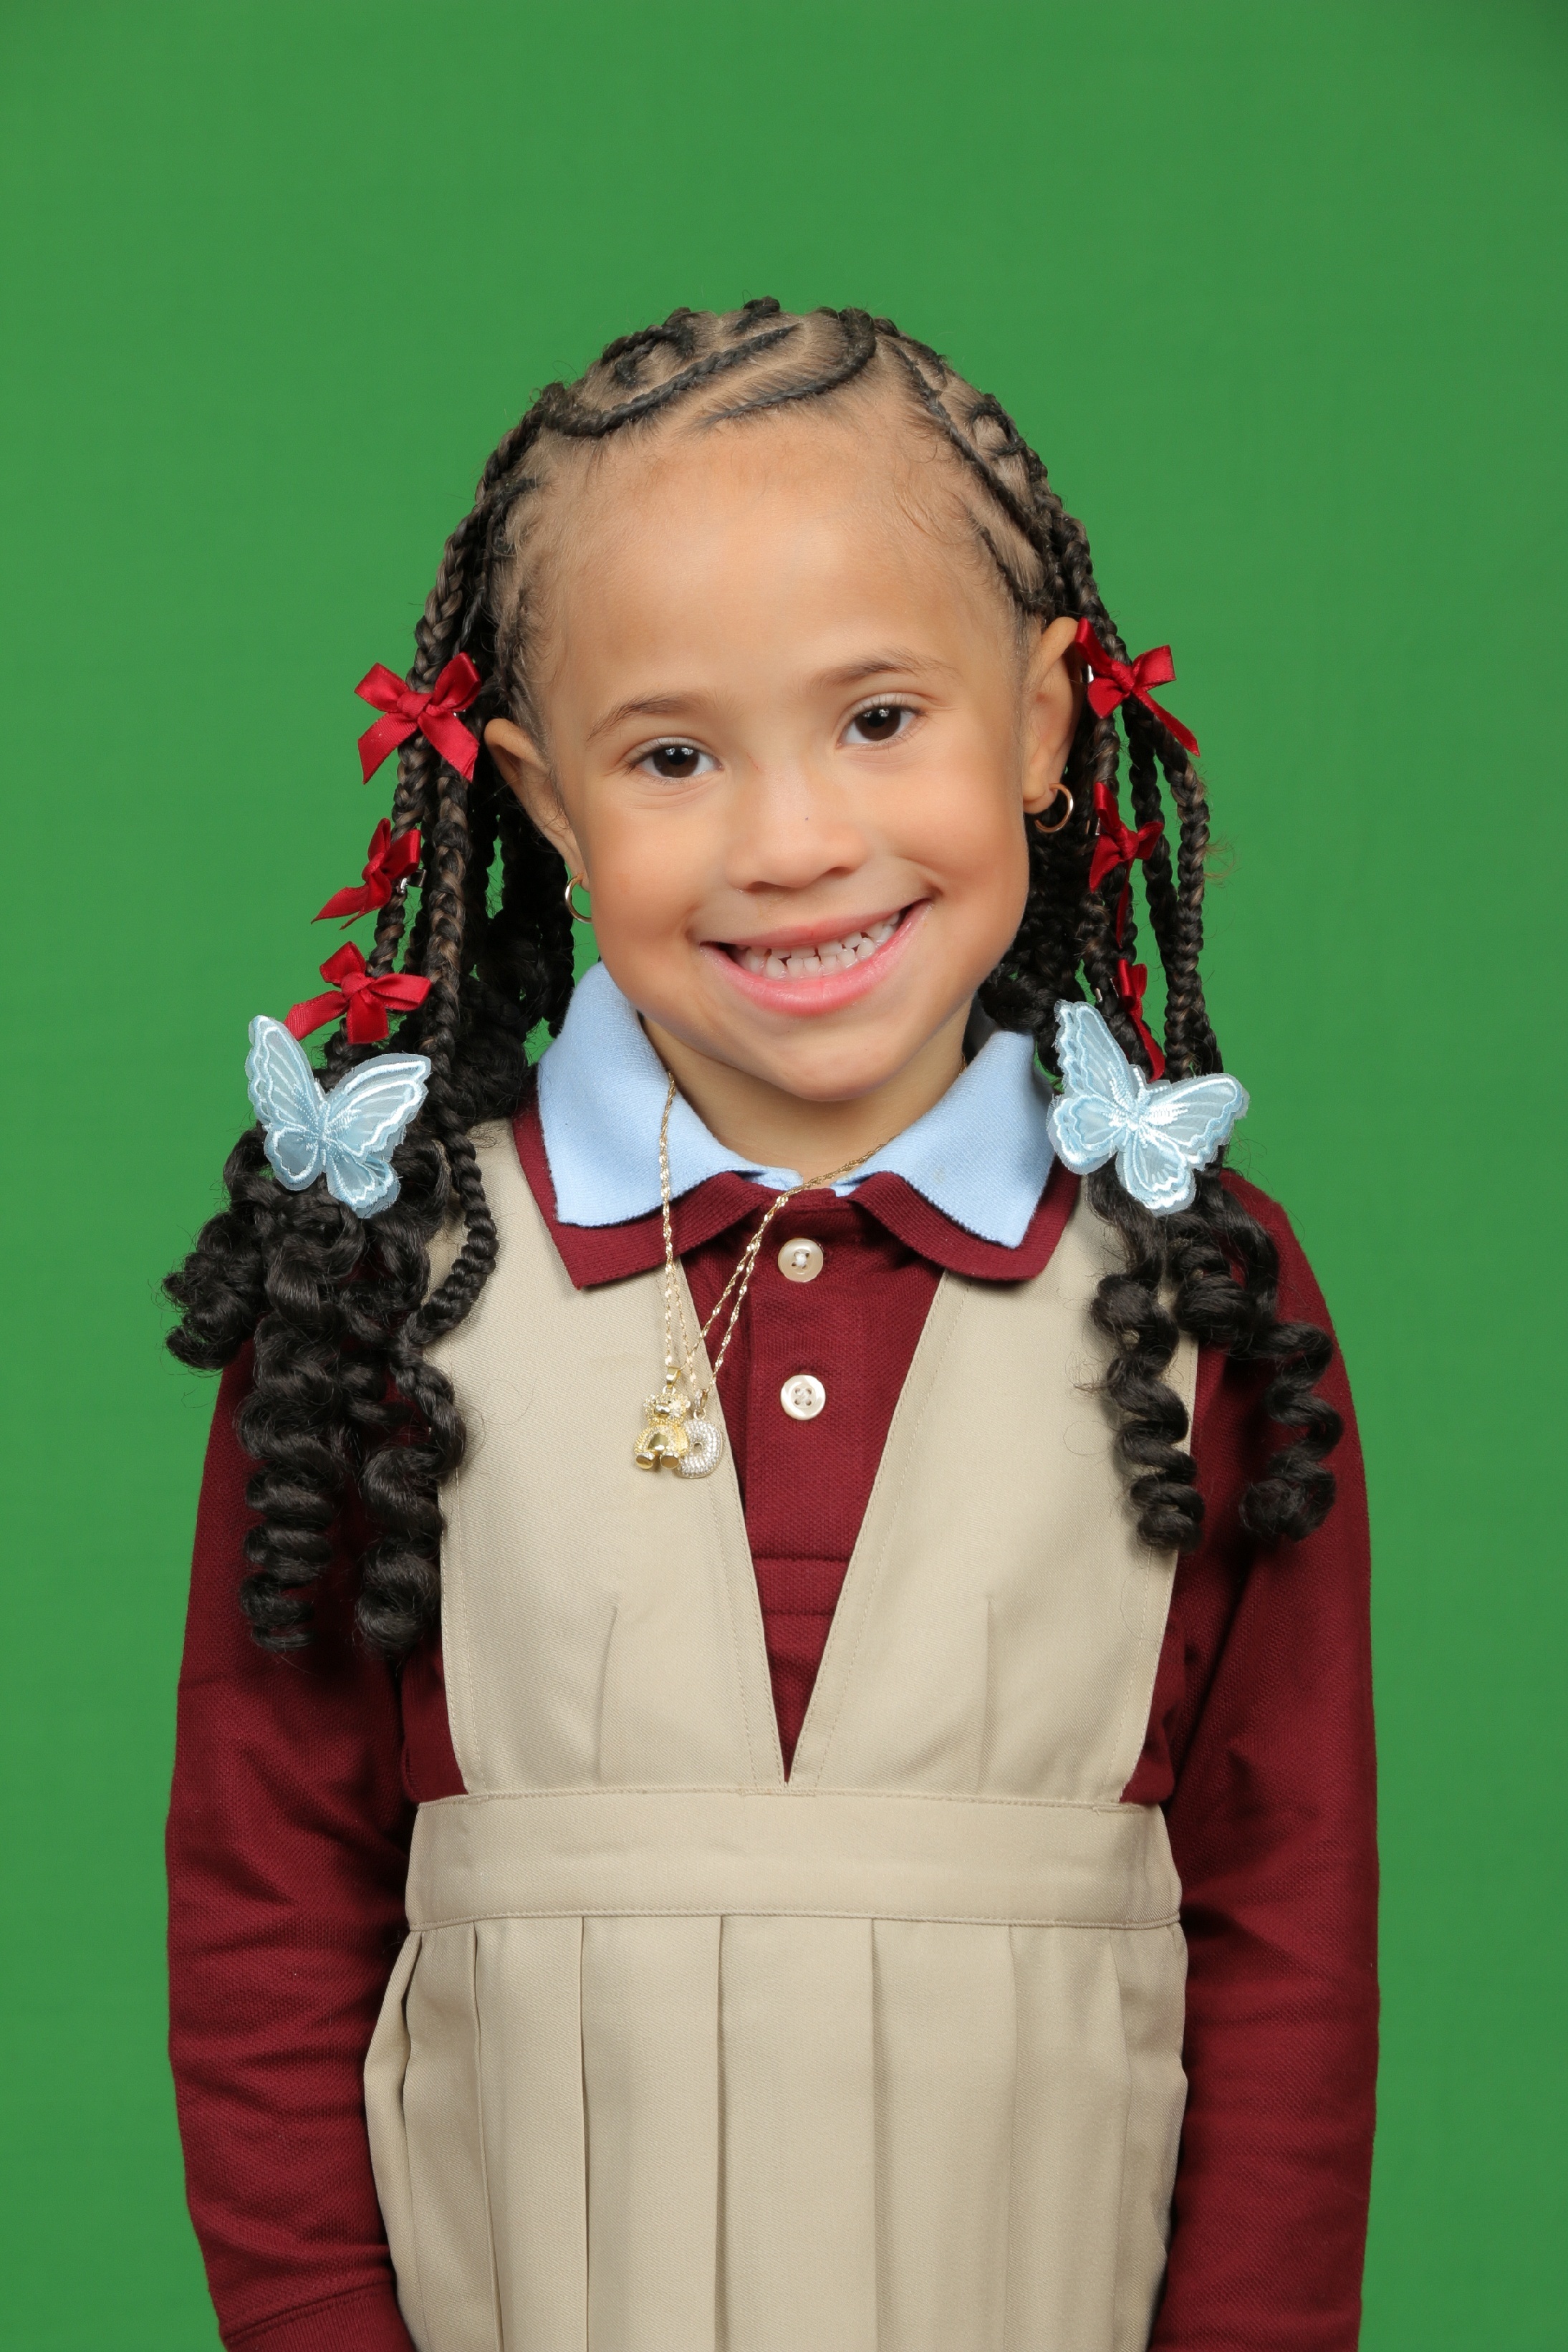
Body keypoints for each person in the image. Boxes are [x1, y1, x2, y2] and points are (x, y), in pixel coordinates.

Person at [164, 301, 1377, 2352]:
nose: (794, 839)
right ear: (544, 799)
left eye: (879, 717)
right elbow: (269, 1912)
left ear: (1046, 722)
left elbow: (1288, 1926)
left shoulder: (1194, 1289)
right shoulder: (385, 1282)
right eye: (673, 755)